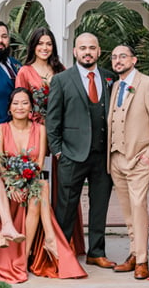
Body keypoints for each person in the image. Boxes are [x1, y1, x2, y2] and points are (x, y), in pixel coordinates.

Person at [0, 88, 87, 283]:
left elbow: (38, 164)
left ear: (31, 107)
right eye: (16, 103)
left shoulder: (40, 129)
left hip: (30, 180)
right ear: (9, 108)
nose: (20, 107)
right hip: (8, 185)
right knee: (42, 186)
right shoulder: (1, 129)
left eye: (25, 103)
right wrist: (13, 184)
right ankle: (49, 240)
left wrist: (25, 182)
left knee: (39, 187)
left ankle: (24, 257)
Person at [46, 32, 118, 269]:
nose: (87, 52)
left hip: (102, 155)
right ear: (75, 51)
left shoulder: (110, 78)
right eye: (83, 48)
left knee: (100, 205)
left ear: (99, 52)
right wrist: (58, 152)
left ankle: (96, 252)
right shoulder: (62, 80)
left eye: (92, 48)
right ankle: (62, 252)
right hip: (71, 154)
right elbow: (53, 120)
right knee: (65, 206)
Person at [15, 27, 86, 255]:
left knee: (64, 185)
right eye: (40, 44)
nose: (44, 48)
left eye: (48, 44)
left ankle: (65, 240)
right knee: (40, 184)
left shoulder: (60, 70)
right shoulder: (25, 72)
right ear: (33, 46)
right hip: (36, 133)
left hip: (61, 135)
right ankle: (36, 244)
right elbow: (20, 103)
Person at [107, 45, 149, 279]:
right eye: (114, 57)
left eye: (122, 56)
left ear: (133, 59)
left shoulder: (148, 84)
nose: (118, 60)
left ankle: (142, 260)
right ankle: (134, 253)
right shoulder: (115, 86)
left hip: (139, 159)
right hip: (116, 158)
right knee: (127, 211)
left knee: (138, 206)